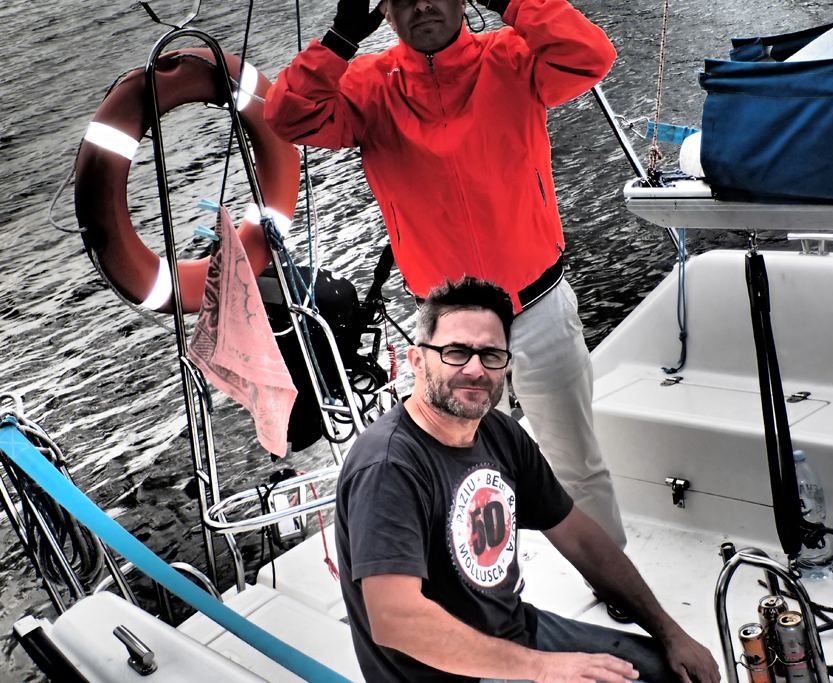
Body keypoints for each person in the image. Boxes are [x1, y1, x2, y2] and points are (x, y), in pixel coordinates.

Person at [264, 0, 626, 548]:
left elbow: (591, 54)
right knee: (472, 479)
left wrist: (511, 2)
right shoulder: (366, 89)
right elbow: (288, 117)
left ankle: (613, 581)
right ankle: (491, 587)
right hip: (450, 333)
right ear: (385, 12)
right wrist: (339, 39)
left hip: (540, 308)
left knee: (577, 463)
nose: (423, 4)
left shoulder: (513, 58)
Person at [333, 276, 721, 683]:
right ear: (416, 360)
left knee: (670, 674)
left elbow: (579, 537)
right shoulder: (388, 467)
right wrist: (544, 668)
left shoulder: (500, 433)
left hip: (515, 633)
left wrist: (670, 632)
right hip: (445, 676)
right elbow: (395, 620)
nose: (475, 369)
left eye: (491, 355)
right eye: (455, 352)